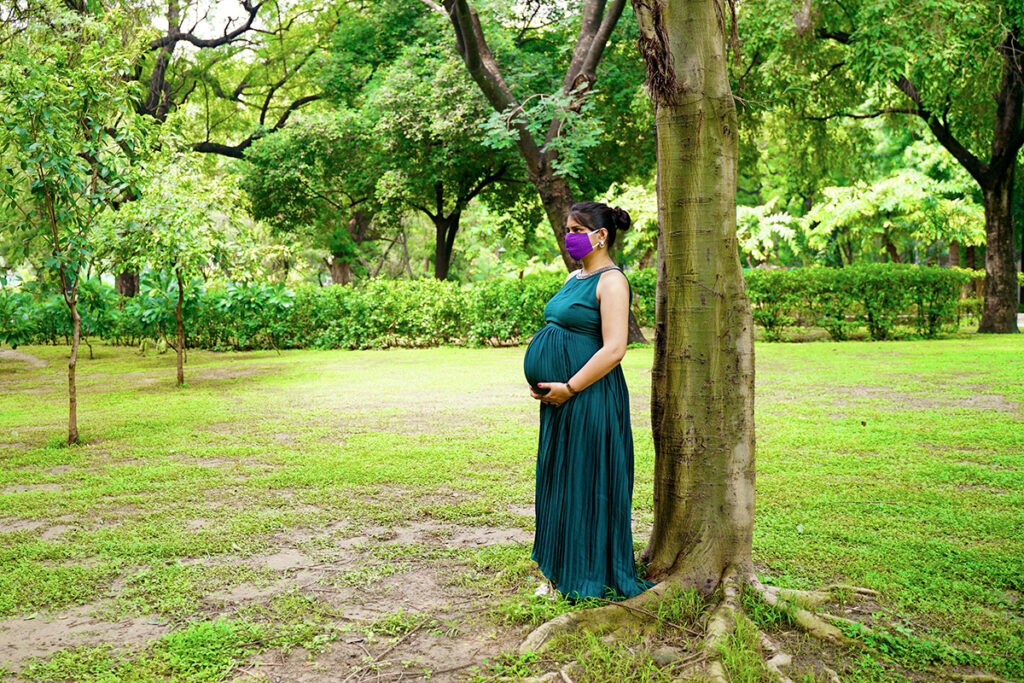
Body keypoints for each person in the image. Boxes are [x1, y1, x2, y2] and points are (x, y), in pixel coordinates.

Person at [522, 201, 653, 601]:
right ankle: (561, 570)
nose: (570, 236)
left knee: (588, 481)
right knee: (561, 480)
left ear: (602, 235)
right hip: (559, 400)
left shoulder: (612, 281)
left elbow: (614, 349)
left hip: (589, 396)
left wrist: (570, 387)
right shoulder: (574, 277)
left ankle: (588, 574)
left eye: (577, 229)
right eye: (568, 229)